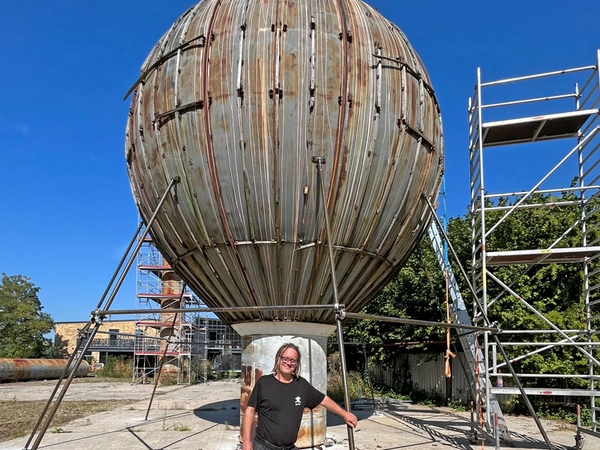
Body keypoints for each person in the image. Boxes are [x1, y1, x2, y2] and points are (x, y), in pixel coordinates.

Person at [241, 343, 358, 450]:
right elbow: (250, 411)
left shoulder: (301, 385)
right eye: (285, 358)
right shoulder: (264, 383)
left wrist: (344, 414)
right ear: (278, 359)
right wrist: (247, 442)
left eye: (293, 360)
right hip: (264, 446)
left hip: (289, 447)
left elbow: (323, 399)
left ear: (296, 364)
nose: (288, 362)